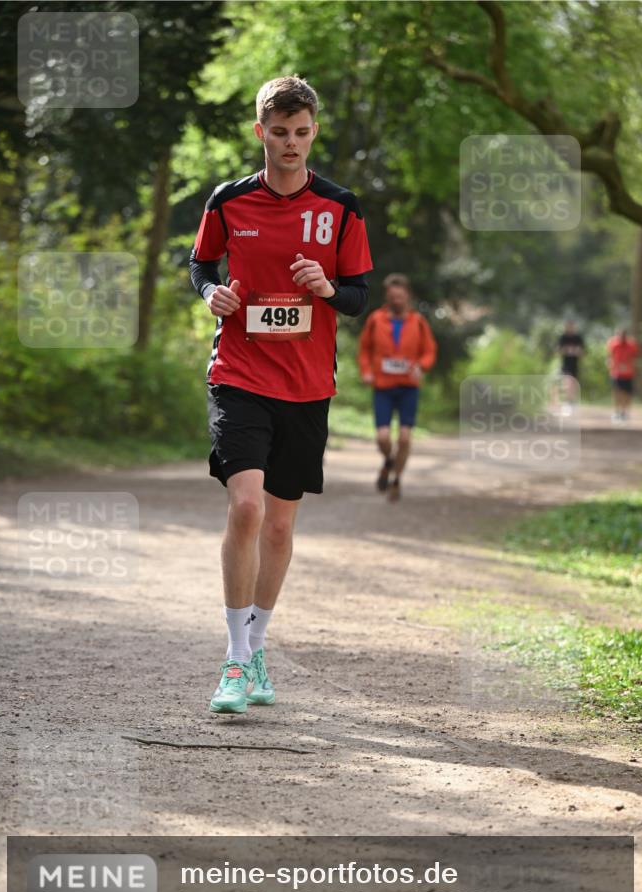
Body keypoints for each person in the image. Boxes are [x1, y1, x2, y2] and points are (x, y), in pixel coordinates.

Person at [189, 76, 373, 714]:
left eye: (300, 132)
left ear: (313, 132)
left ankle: (259, 645)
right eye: (278, 132)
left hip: (305, 385)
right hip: (238, 372)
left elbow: (357, 297)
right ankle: (235, 662)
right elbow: (200, 264)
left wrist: (325, 287)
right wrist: (210, 293)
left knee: (280, 524)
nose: (289, 143)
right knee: (246, 509)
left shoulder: (341, 207)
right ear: (260, 131)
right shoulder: (228, 201)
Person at [357, 274, 436, 501]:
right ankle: (389, 461)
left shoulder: (418, 322)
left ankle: (397, 479)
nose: (396, 300)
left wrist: (422, 365)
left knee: (404, 437)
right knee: (383, 437)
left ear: (407, 296)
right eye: (392, 296)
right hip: (382, 386)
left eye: (400, 296)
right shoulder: (376, 319)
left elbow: (429, 350)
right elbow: (364, 349)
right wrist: (366, 371)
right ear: (387, 297)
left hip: (408, 387)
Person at [607, 328, 640, 422]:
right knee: (617, 392)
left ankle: (624, 412)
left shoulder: (632, 345)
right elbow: (610, 356)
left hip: (628, 373)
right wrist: (612, 364)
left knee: (627, 393)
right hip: (616, 373)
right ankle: (617, 412)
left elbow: (635, 357)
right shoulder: (613, 343)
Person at [557, 320, 585, 415]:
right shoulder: (563, 338)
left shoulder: (578, 338)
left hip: (575, 364)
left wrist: (575, 351)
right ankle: (567, 402)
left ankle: (572, 401)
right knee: (567, 382)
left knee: (574, 383)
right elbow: (559, 351)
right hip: (566, 364)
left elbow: (582, 352)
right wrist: (568, 351)